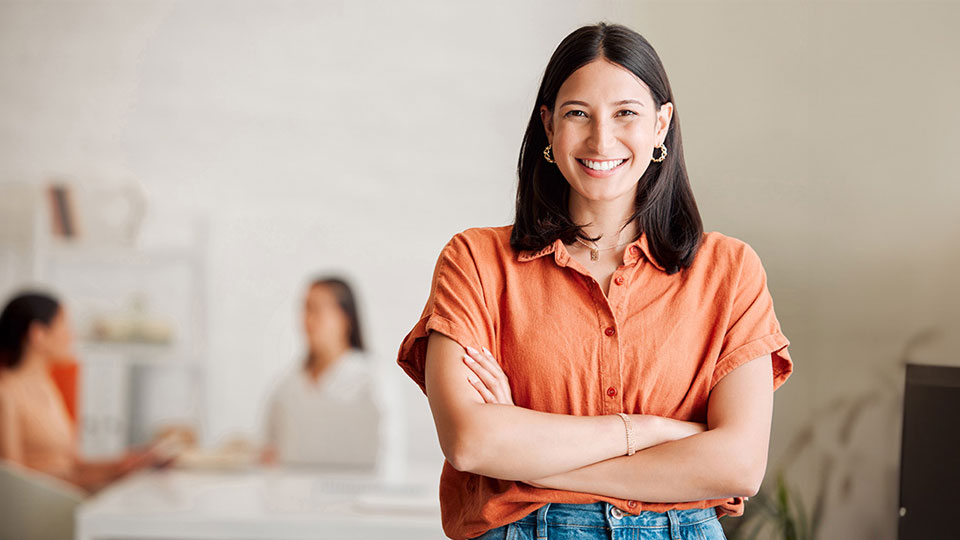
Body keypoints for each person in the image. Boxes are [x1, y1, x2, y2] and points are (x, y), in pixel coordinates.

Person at [396, 22, 794, 540]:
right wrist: (648, 430)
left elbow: (738, 465)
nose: (601, 138)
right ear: (548, 126)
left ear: (660, 125)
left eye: (626, 112)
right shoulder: (474, 261)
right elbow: (472, 444)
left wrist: (529, 456)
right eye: (577, 114)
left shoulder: (731, 270)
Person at [0, 291, 167, 495]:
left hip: (64, 496)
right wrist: (114, 470)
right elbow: (14, 484)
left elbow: (74, 465)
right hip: (41, 506)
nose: (72, 335)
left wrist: (130, 462)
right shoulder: (6, 393)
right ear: (38, 334)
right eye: (64, 325)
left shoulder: (47, 385)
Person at [261, 276, 382, 469]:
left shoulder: (372, 381)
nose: (307, 320)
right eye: (305, 309)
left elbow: (387, 455)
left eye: (316, 309)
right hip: (289, 494)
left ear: (345, 317)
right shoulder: (287, 385)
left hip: (356, 493)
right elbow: (268, 448)